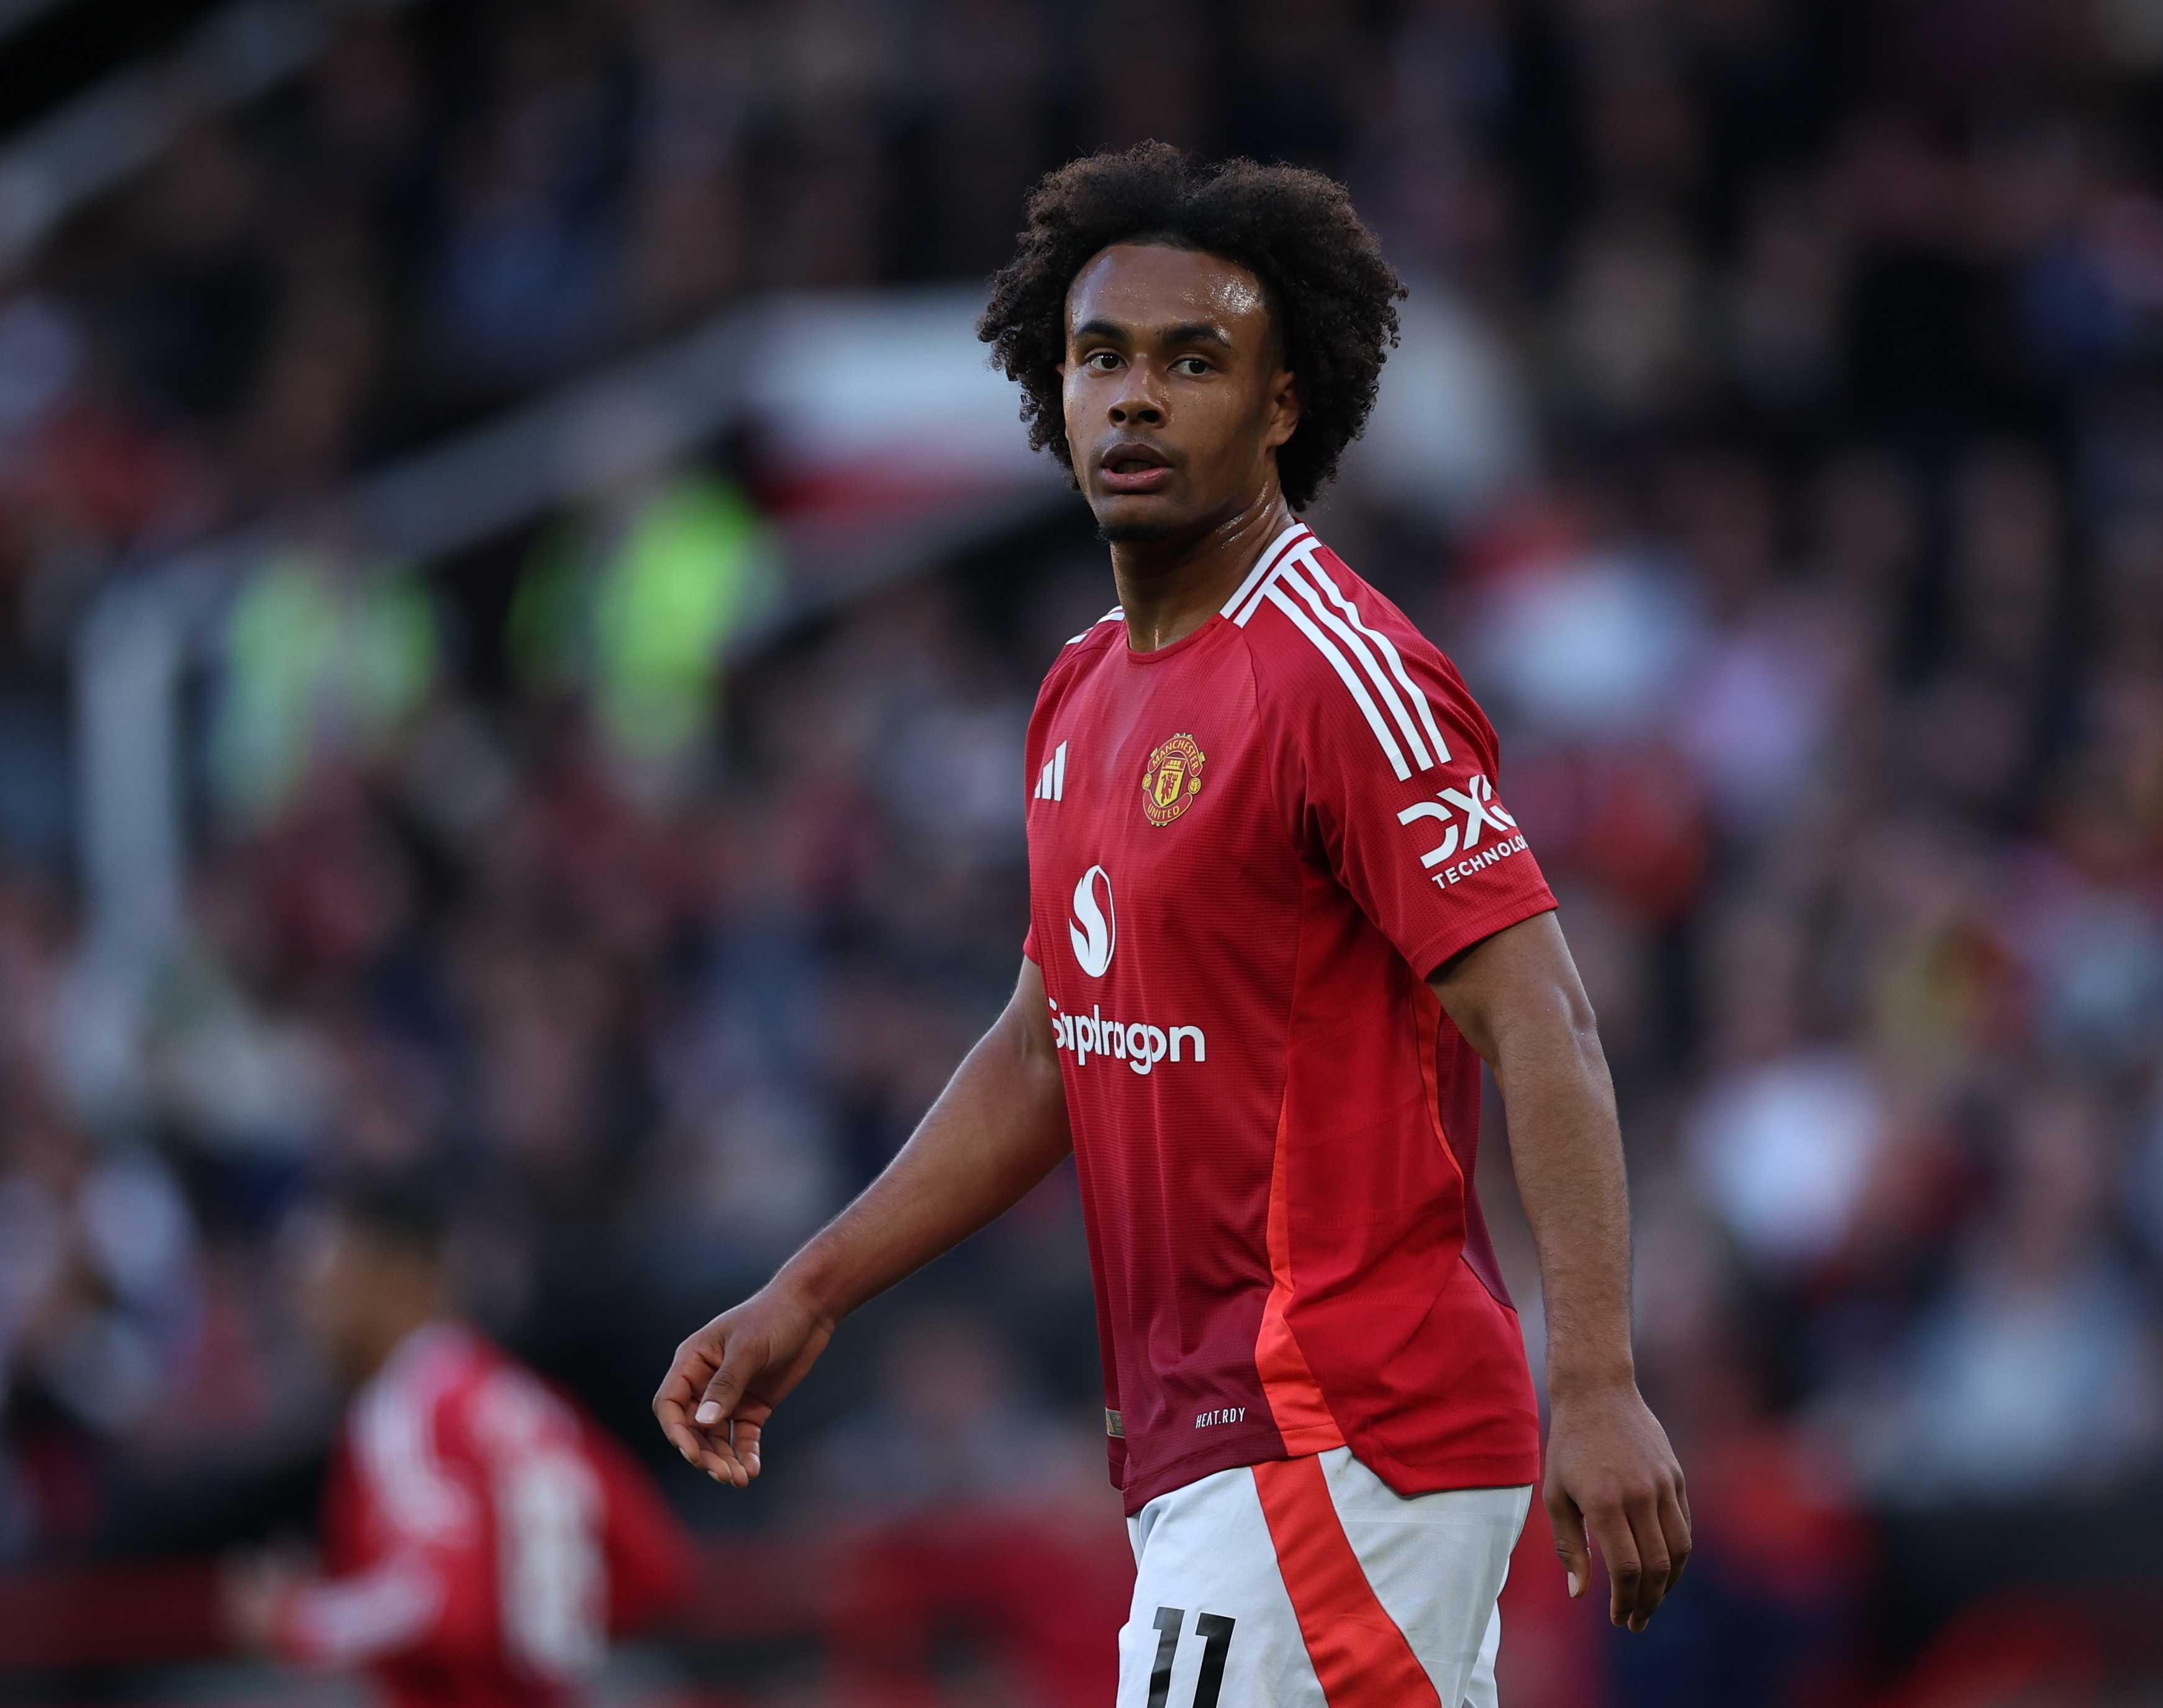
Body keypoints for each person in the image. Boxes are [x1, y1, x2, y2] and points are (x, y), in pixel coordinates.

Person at [655, 142, 1692, 1707]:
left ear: (1281, 405)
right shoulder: (1081, 690)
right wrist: (809, 1285)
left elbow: (1541, 1014)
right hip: (1220, 1450)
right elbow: (1043, 1047)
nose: (1134, 398)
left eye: (1191, 361)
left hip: (1339, 1424)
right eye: (1101, 358)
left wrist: (1596, 1376)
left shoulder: (1336, 671)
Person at [229, 1178, 692, 1708]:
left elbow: (438, 1599)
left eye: (327, 1277)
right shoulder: (517, 1397)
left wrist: (299, 1619)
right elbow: (657, 1567)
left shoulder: (407, 1406)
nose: (309, 1309)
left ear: (398, 1278)